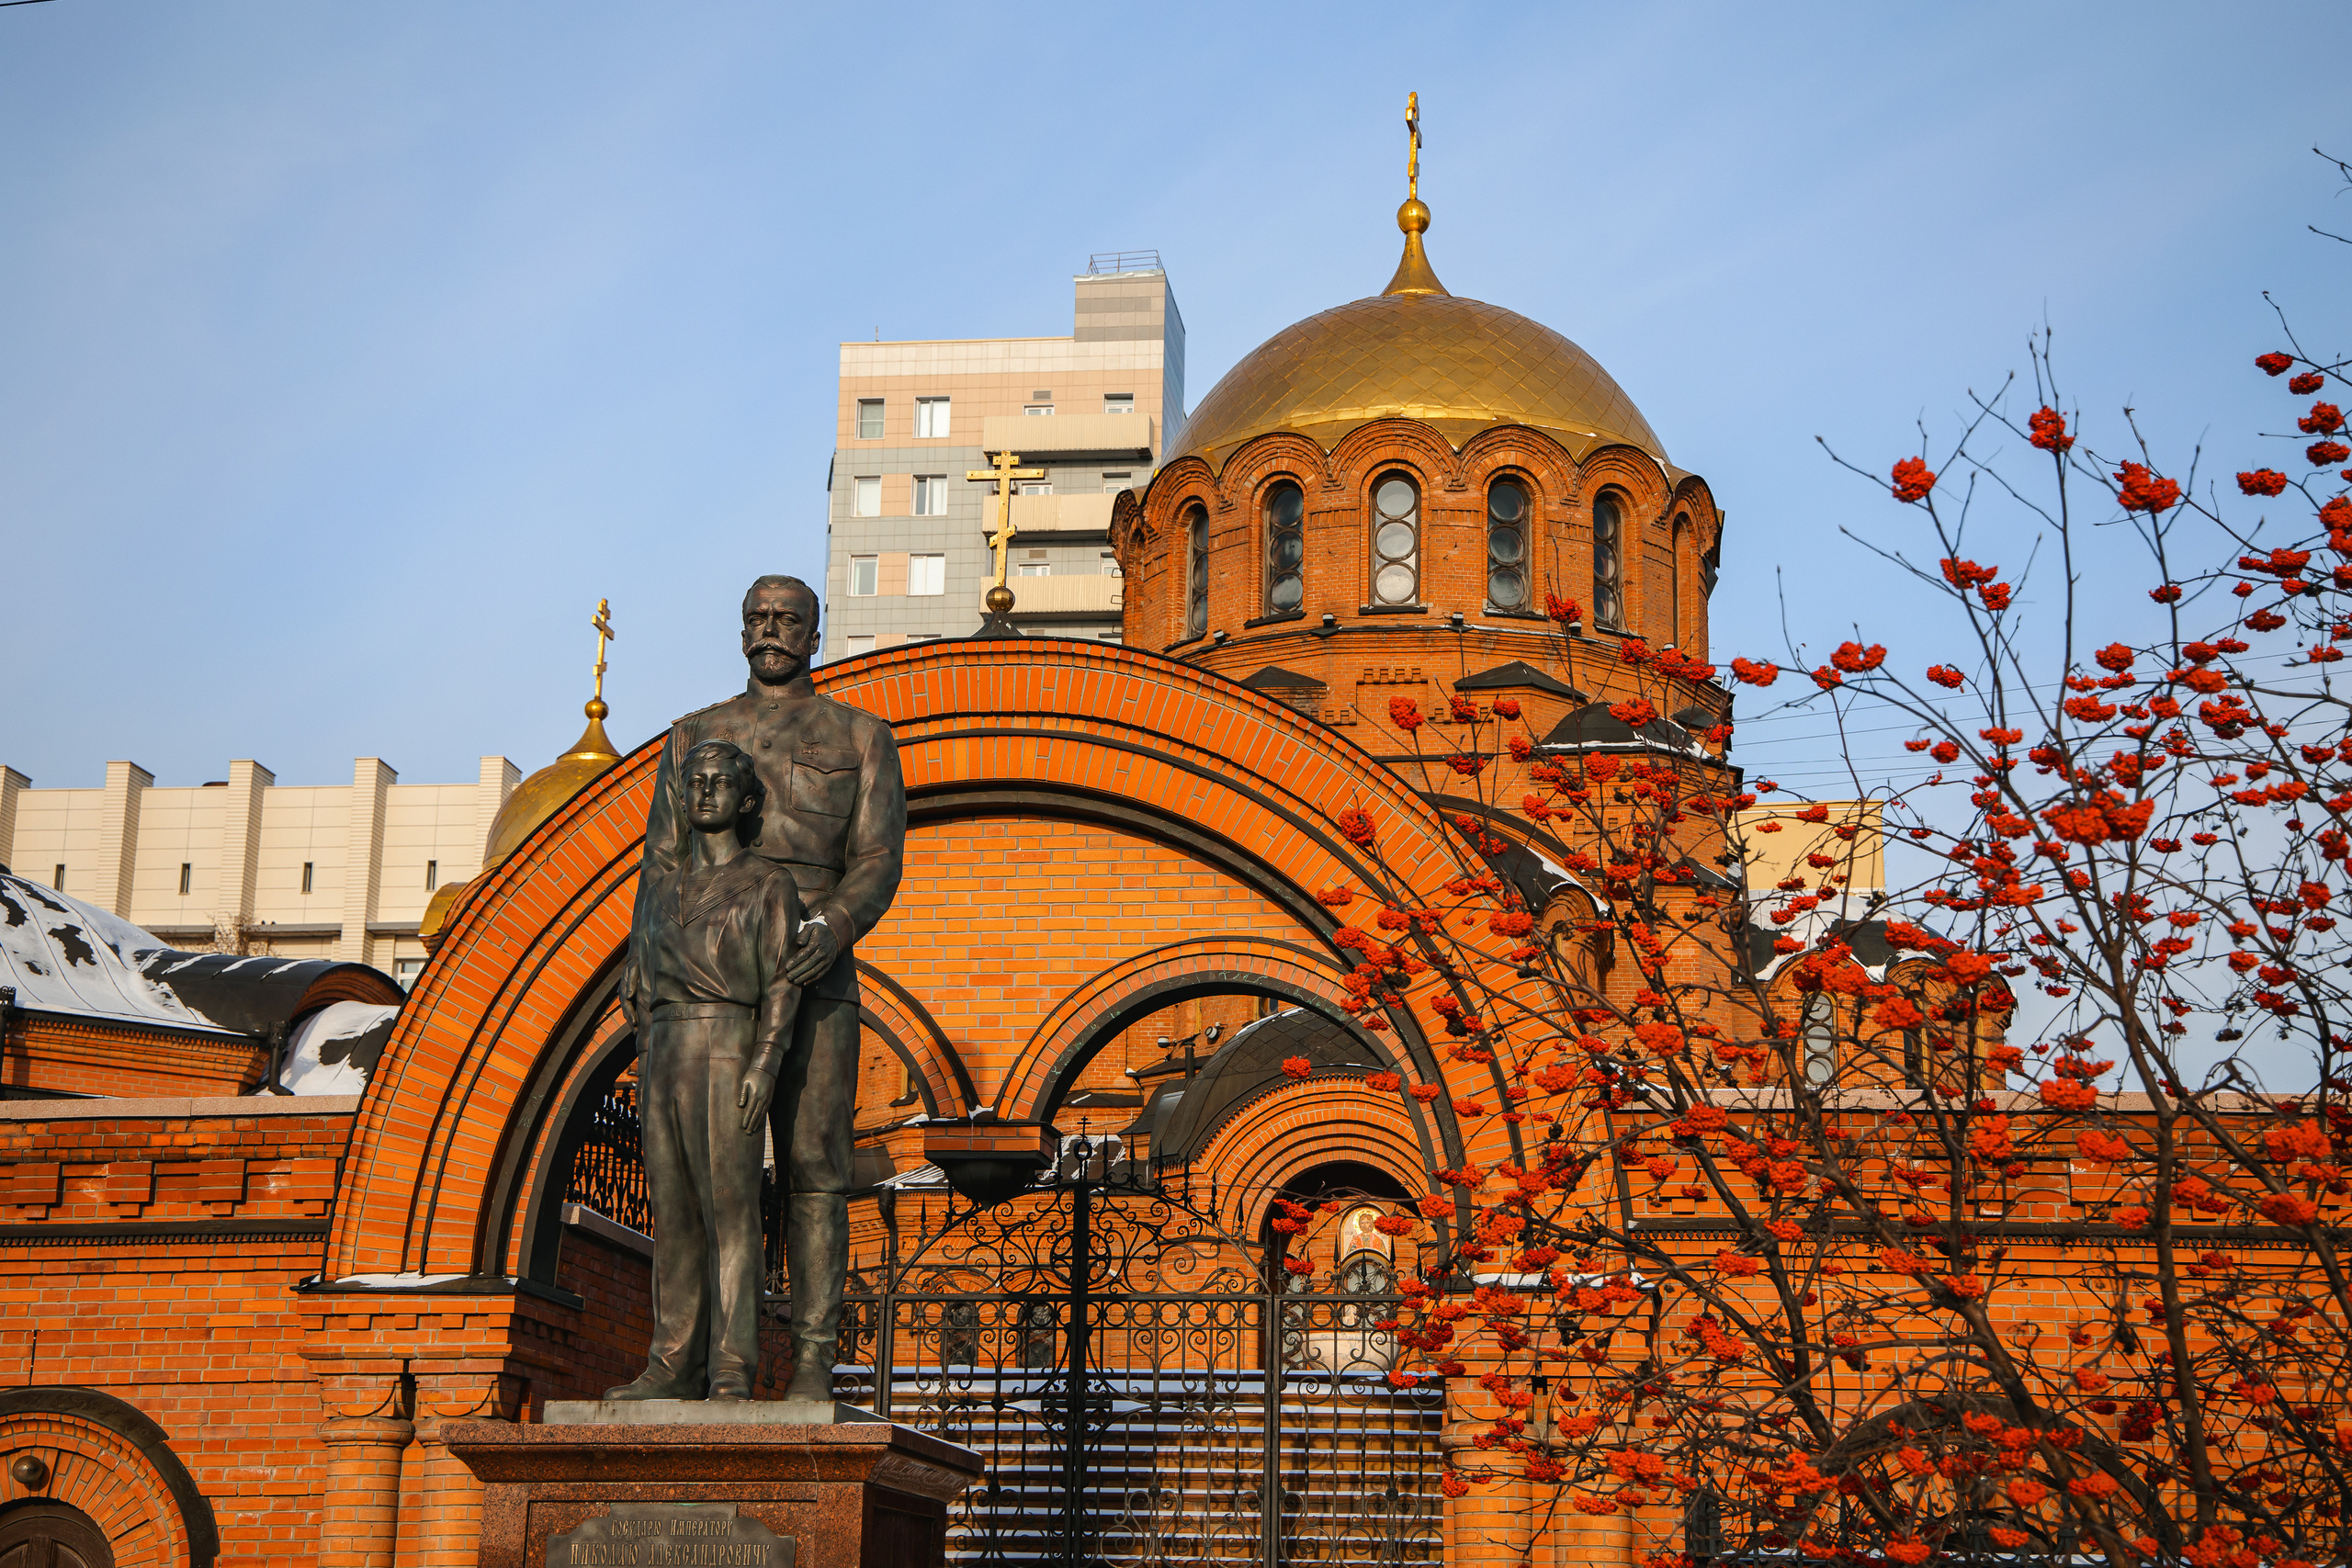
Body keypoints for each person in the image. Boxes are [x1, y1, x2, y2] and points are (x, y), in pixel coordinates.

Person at [630, 574, 906, 1402]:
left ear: (815, 635)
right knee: (692, 1175)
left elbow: (878, 858)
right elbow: (661, 858)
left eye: (788, 619)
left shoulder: (860, 736)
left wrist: (834, 928)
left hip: (811, 972)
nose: (770, 630)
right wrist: (642, 957)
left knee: (814, 1168)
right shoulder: (697, 735)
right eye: (757, 617)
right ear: (741, 629)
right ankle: (684, 1358)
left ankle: (814, 1362)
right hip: (711, 971)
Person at [608, 739, 802, 1402]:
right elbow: (636, 977)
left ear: (746, 799)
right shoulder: (658, 889)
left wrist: (766, 1058)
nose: (705, 791)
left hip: (728, 1038)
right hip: (664, 1048)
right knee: (675, 1212)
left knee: (730, 1211)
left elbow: (783, 980)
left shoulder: (768, 881)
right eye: (695, 781)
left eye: (720, 781)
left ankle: (729, 1365)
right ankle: (671, 1361)